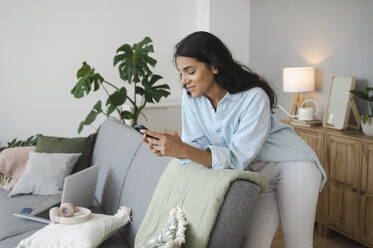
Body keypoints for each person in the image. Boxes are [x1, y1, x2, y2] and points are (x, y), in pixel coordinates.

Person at [141, 31, 326, 248]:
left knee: (298, 243)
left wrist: (182, 150)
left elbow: (237, 158)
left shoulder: (254, 97)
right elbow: (197, 147)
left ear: (214, 66)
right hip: (254, 173)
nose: (185, 81)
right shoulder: (192, 98)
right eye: (181, 73)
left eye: (190, 72)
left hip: (292, 165)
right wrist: (173, 147)